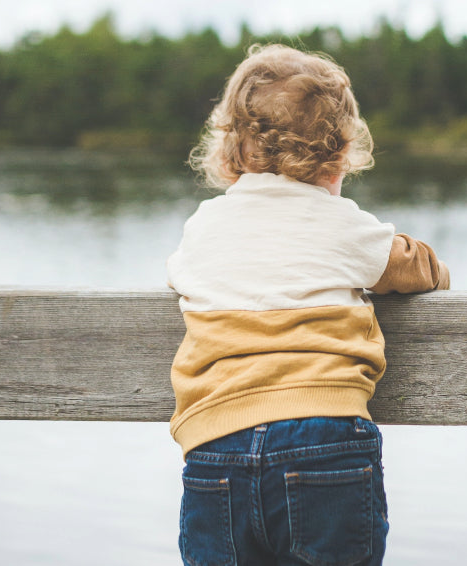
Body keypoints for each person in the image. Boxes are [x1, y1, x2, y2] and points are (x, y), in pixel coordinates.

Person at [166, 43, 449, 566]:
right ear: (341, 153)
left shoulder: (203, 226)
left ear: (230, 150)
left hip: (215, 444)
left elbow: (179, 274)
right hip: (325, 437)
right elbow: (418, 271)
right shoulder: (343, 226)